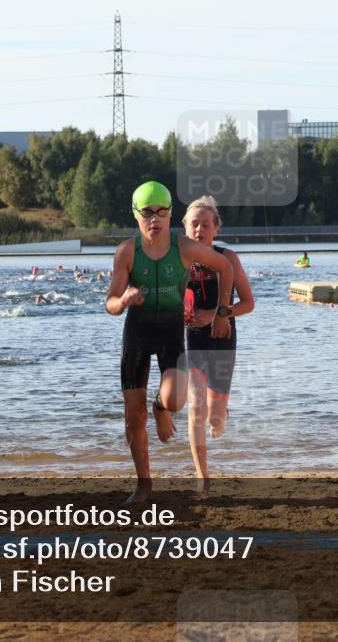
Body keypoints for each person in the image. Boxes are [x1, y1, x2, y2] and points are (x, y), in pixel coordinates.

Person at [106, 181, 234, 503]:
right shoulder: (127, 252)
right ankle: (144, 484)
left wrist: (221, 313)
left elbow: (226, 267)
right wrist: (123, 300)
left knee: (176, 401)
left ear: (169, 215)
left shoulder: (185, 249)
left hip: (170, 337)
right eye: (147, 212)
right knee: (133, 416)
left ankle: (160, 407)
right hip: (137, 336)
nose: (155, 219)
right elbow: (110, 302)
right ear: (136, 216)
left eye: (162, 212)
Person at [182, 196, 255, 492]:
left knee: (214, 416)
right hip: (193, 340)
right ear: (185, 227)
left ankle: (221, 417)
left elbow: (248, 303)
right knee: (195, 408)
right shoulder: (178, 260)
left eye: (206, 224)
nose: (200, 229)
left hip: (223, 337)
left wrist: (216, 315)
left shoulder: (228, 258)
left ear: (216, 229)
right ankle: (202, 476)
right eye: (194, 224)